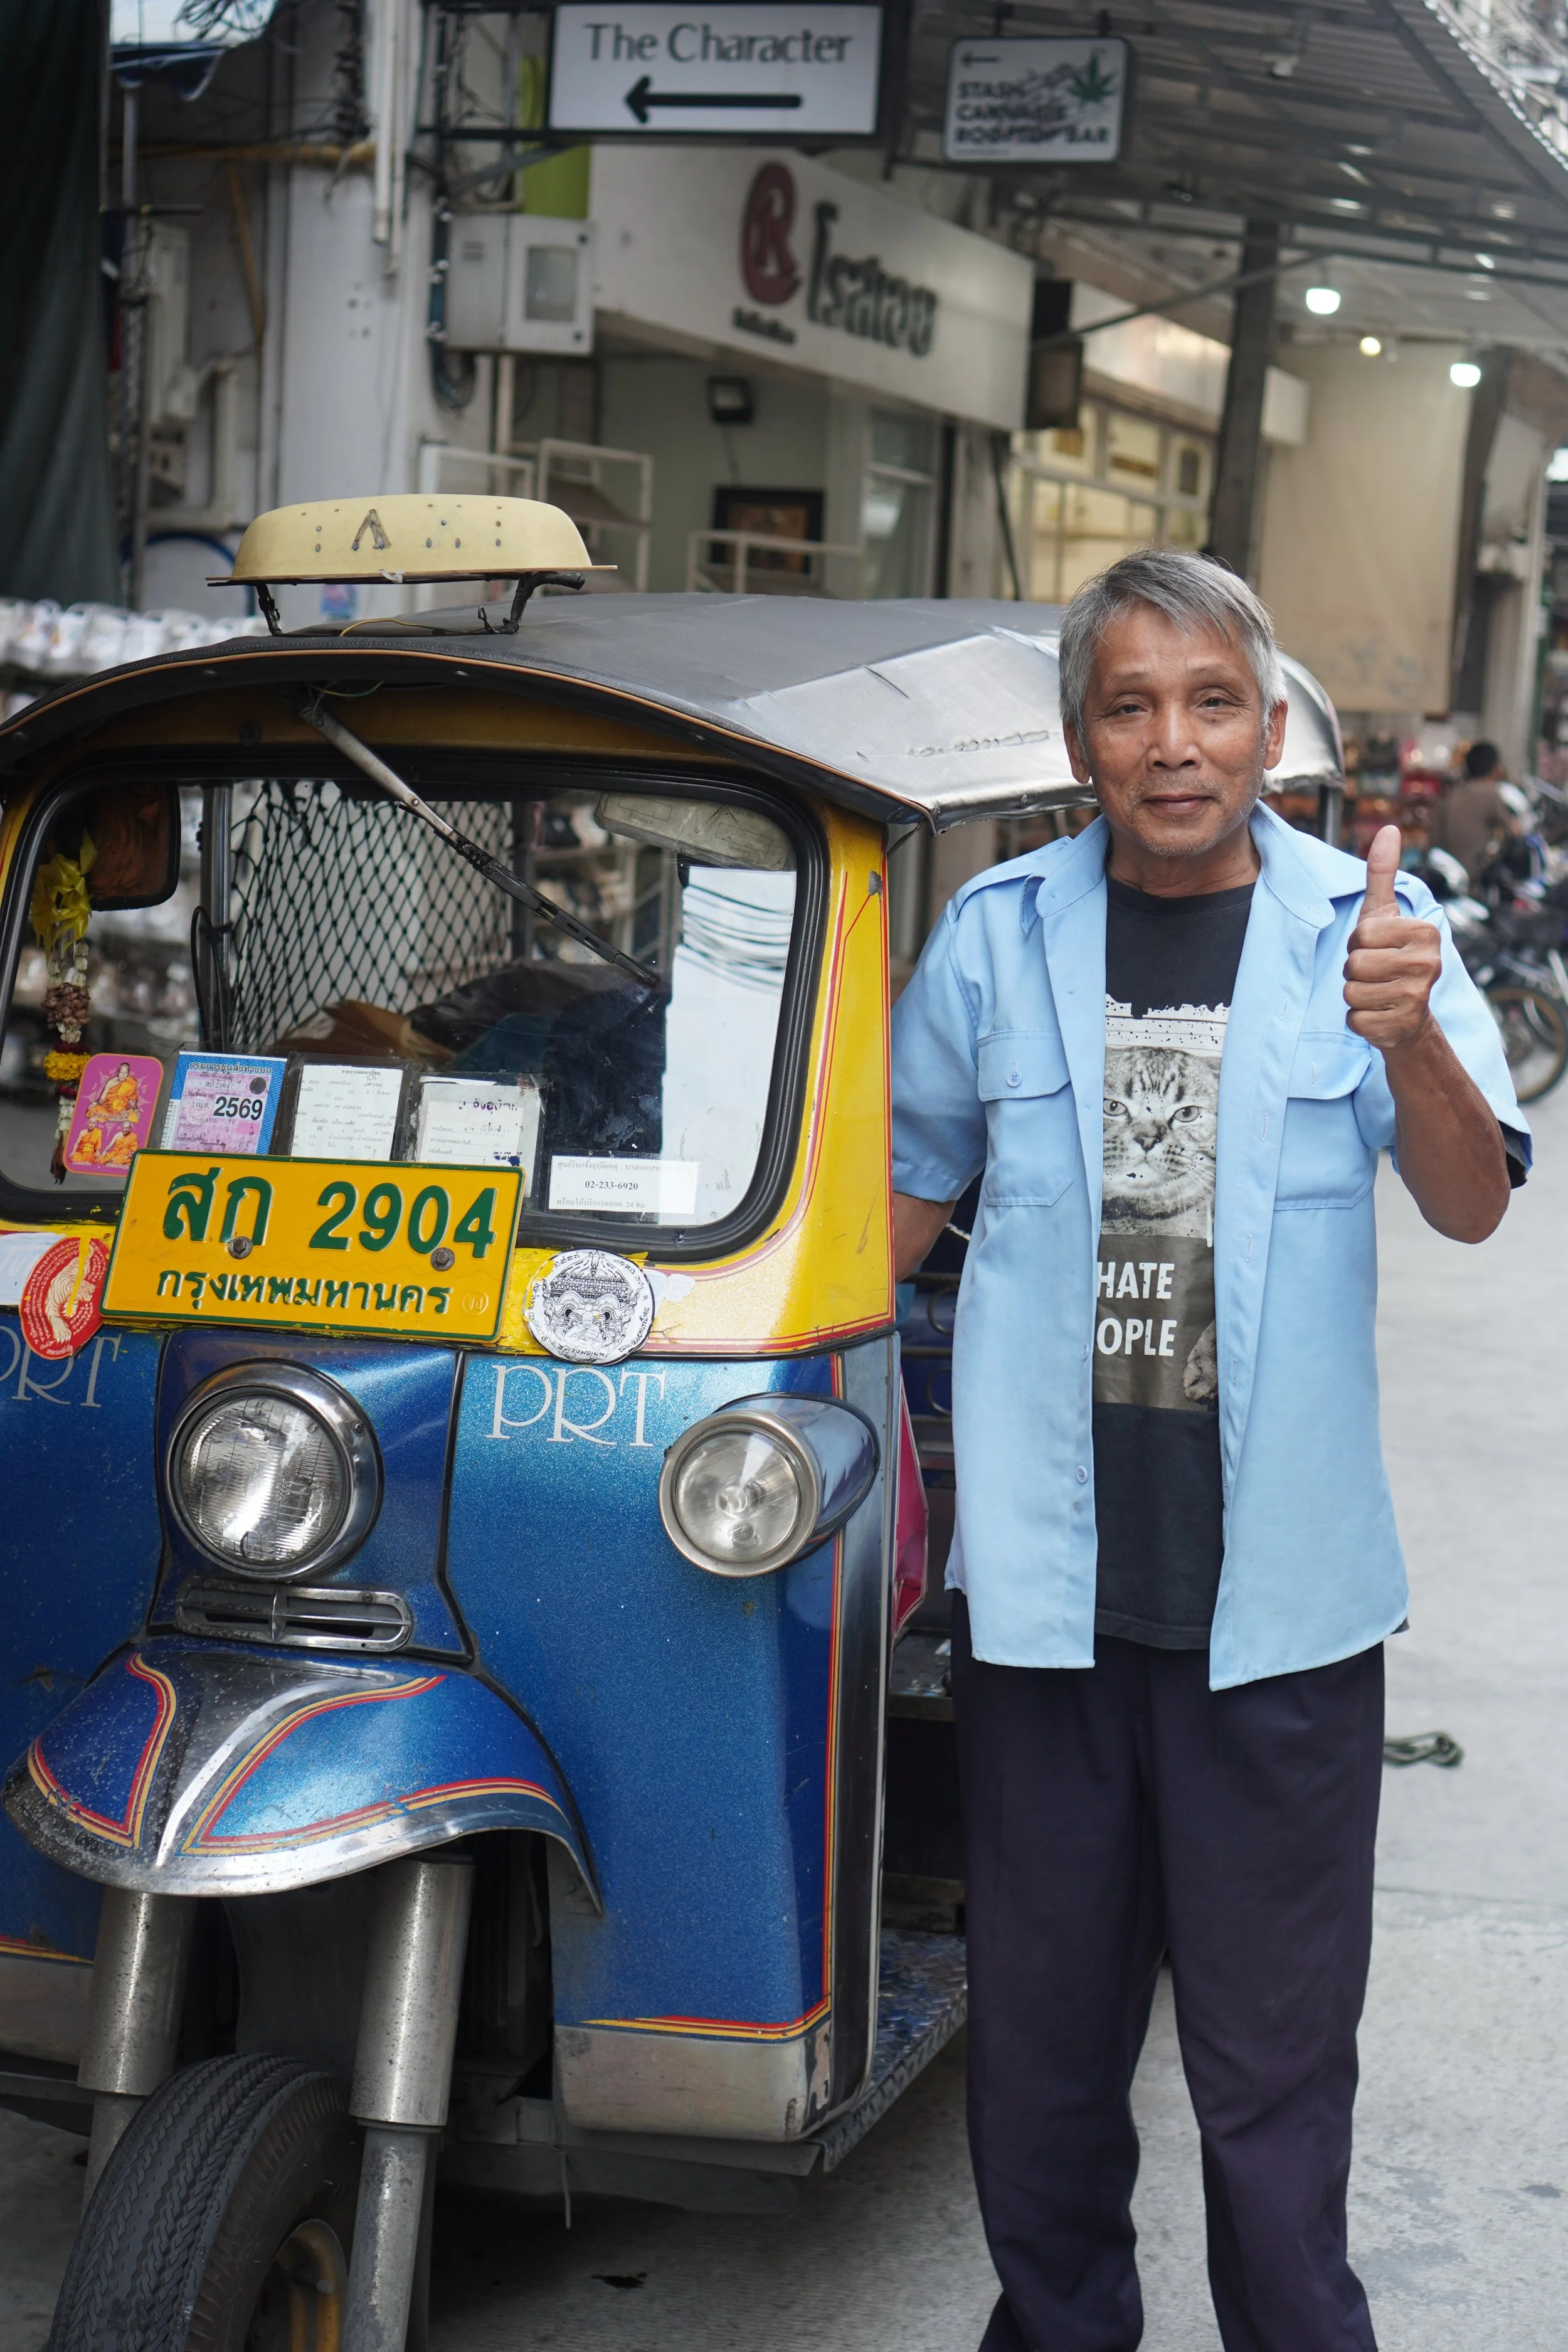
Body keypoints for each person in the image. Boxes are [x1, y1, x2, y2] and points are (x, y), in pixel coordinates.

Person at [889, 549, 1527, 2352]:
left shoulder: (1370, 933)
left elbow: (1474, 1206)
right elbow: (904, 1194)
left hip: (1284, 1631)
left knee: (1266, 2090)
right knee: (1037, 2067)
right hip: (1046, 1616)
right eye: (1128, 703)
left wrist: (1410, 1046)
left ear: (1268, 727)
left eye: (1211, 701)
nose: (1172, 742)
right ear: (1082, 739)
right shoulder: (997, 937)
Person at [1427, 739, 1513, 886]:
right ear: (1495, 768)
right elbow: (1514, 830)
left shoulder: (1451, 794)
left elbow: (1432, 841)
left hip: (1442, 873)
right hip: (1473, 875)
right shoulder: (1490, 793)